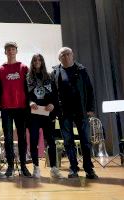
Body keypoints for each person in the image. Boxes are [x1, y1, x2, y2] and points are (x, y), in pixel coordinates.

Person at [51, 47, 98, 179]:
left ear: (72, 55)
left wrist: (90, 108)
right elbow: (53, 94)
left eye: (67, 54)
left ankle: (89, 169)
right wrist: (55, 111)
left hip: (81, 110)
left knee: (85, 141)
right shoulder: (55, 72)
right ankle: (73, 168)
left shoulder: (81, 70)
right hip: (64, 112)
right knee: (68, 141)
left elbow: (89, 89)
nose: (65, 56)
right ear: (59, 58)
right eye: (62, 55)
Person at [0, 42, 31, 177]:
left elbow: (28, 88)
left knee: (22, 138)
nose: (11, 51)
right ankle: (10, 166)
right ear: (5, 52)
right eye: (8, 49)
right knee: (8, 138)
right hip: (6, 108)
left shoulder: (24, 67)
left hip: (21, 108)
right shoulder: (0, 69)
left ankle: (23, 166)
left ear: (16, 51)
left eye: (13, 49)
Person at [26, 54, 63, 179]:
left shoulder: (49, 76)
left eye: (39, 59)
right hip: (34, 115)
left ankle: (54, 168)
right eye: (35, 60)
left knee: (51, 141)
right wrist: (30, 103)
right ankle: (36, 168)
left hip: (47, 114)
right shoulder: (27, 77)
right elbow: (25, 96)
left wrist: (53, 104)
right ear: (32, 62)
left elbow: (55, 95)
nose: (37, 62)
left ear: (42, 61)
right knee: (34, 141)